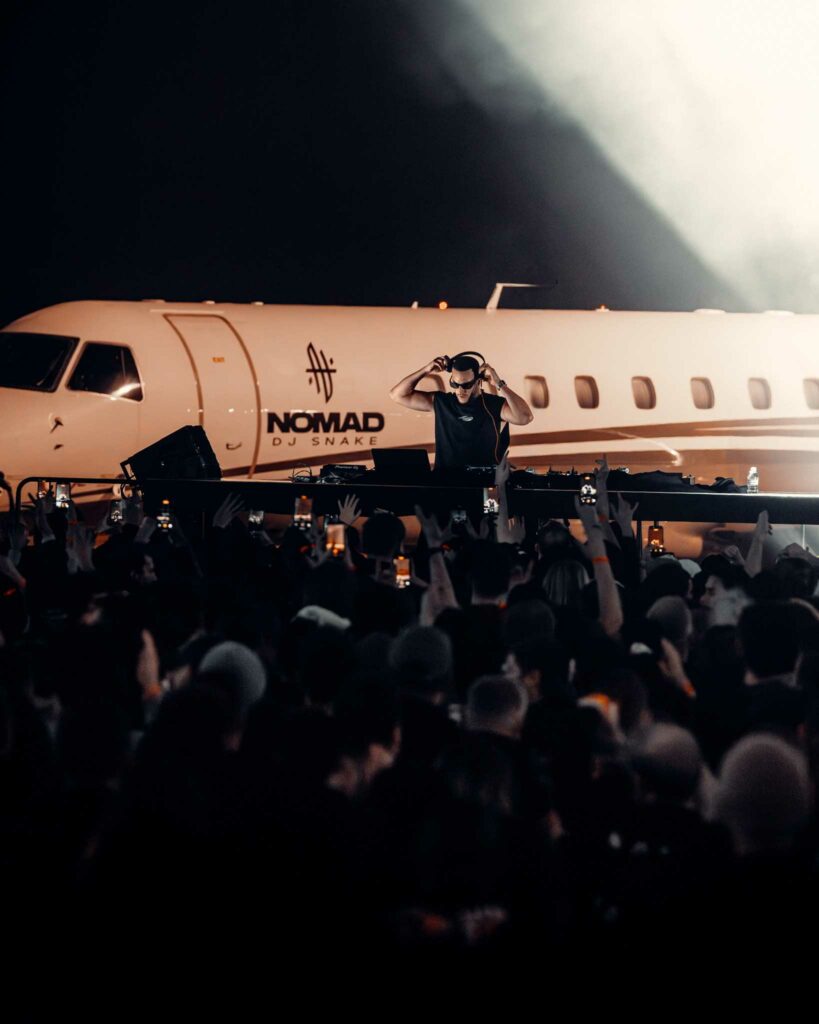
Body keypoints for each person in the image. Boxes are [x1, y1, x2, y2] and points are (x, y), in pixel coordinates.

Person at [388, 354, 533, 470]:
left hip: (481, 484)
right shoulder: (442, 402)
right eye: (455, 384)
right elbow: (397, 395)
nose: (460, 390)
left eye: (466, 385)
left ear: (478, 381)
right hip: (445, 485)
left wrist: (499, 383)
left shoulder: (494, 405)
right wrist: (426, 370)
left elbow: (525, 417)